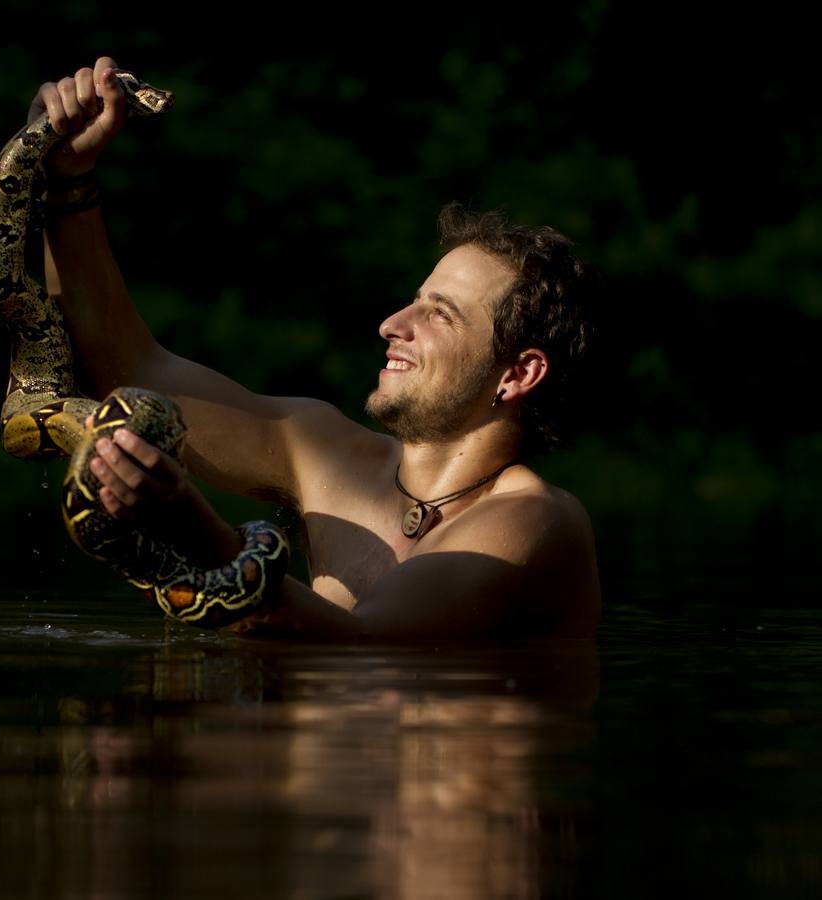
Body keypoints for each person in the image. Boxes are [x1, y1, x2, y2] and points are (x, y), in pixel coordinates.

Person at [31, 57, 601, 640]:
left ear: (519, 373)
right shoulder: (326, 453)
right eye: (414, 300)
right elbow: (128, 367)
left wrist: (189, 527)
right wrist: (67, 180)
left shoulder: (535, 522)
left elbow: (357, 655)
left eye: (441, 315)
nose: (392, 324)